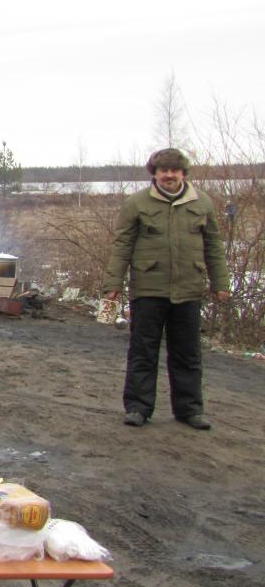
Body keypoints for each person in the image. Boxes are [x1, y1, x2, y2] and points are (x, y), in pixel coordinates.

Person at [102, 147, 231, 430]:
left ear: (183, 173)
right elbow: (122, 245)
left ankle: (189, 410)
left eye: (174, 170)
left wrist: (220, 283)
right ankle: (138, 408)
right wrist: (113, 284)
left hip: (188, 289)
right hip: (148, 289)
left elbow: (213, 246)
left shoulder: (202, 203)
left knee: (187, 354)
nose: (169, 175)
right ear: (155, 173)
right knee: (143, 351)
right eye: (163, 170)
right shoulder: (136, 203)